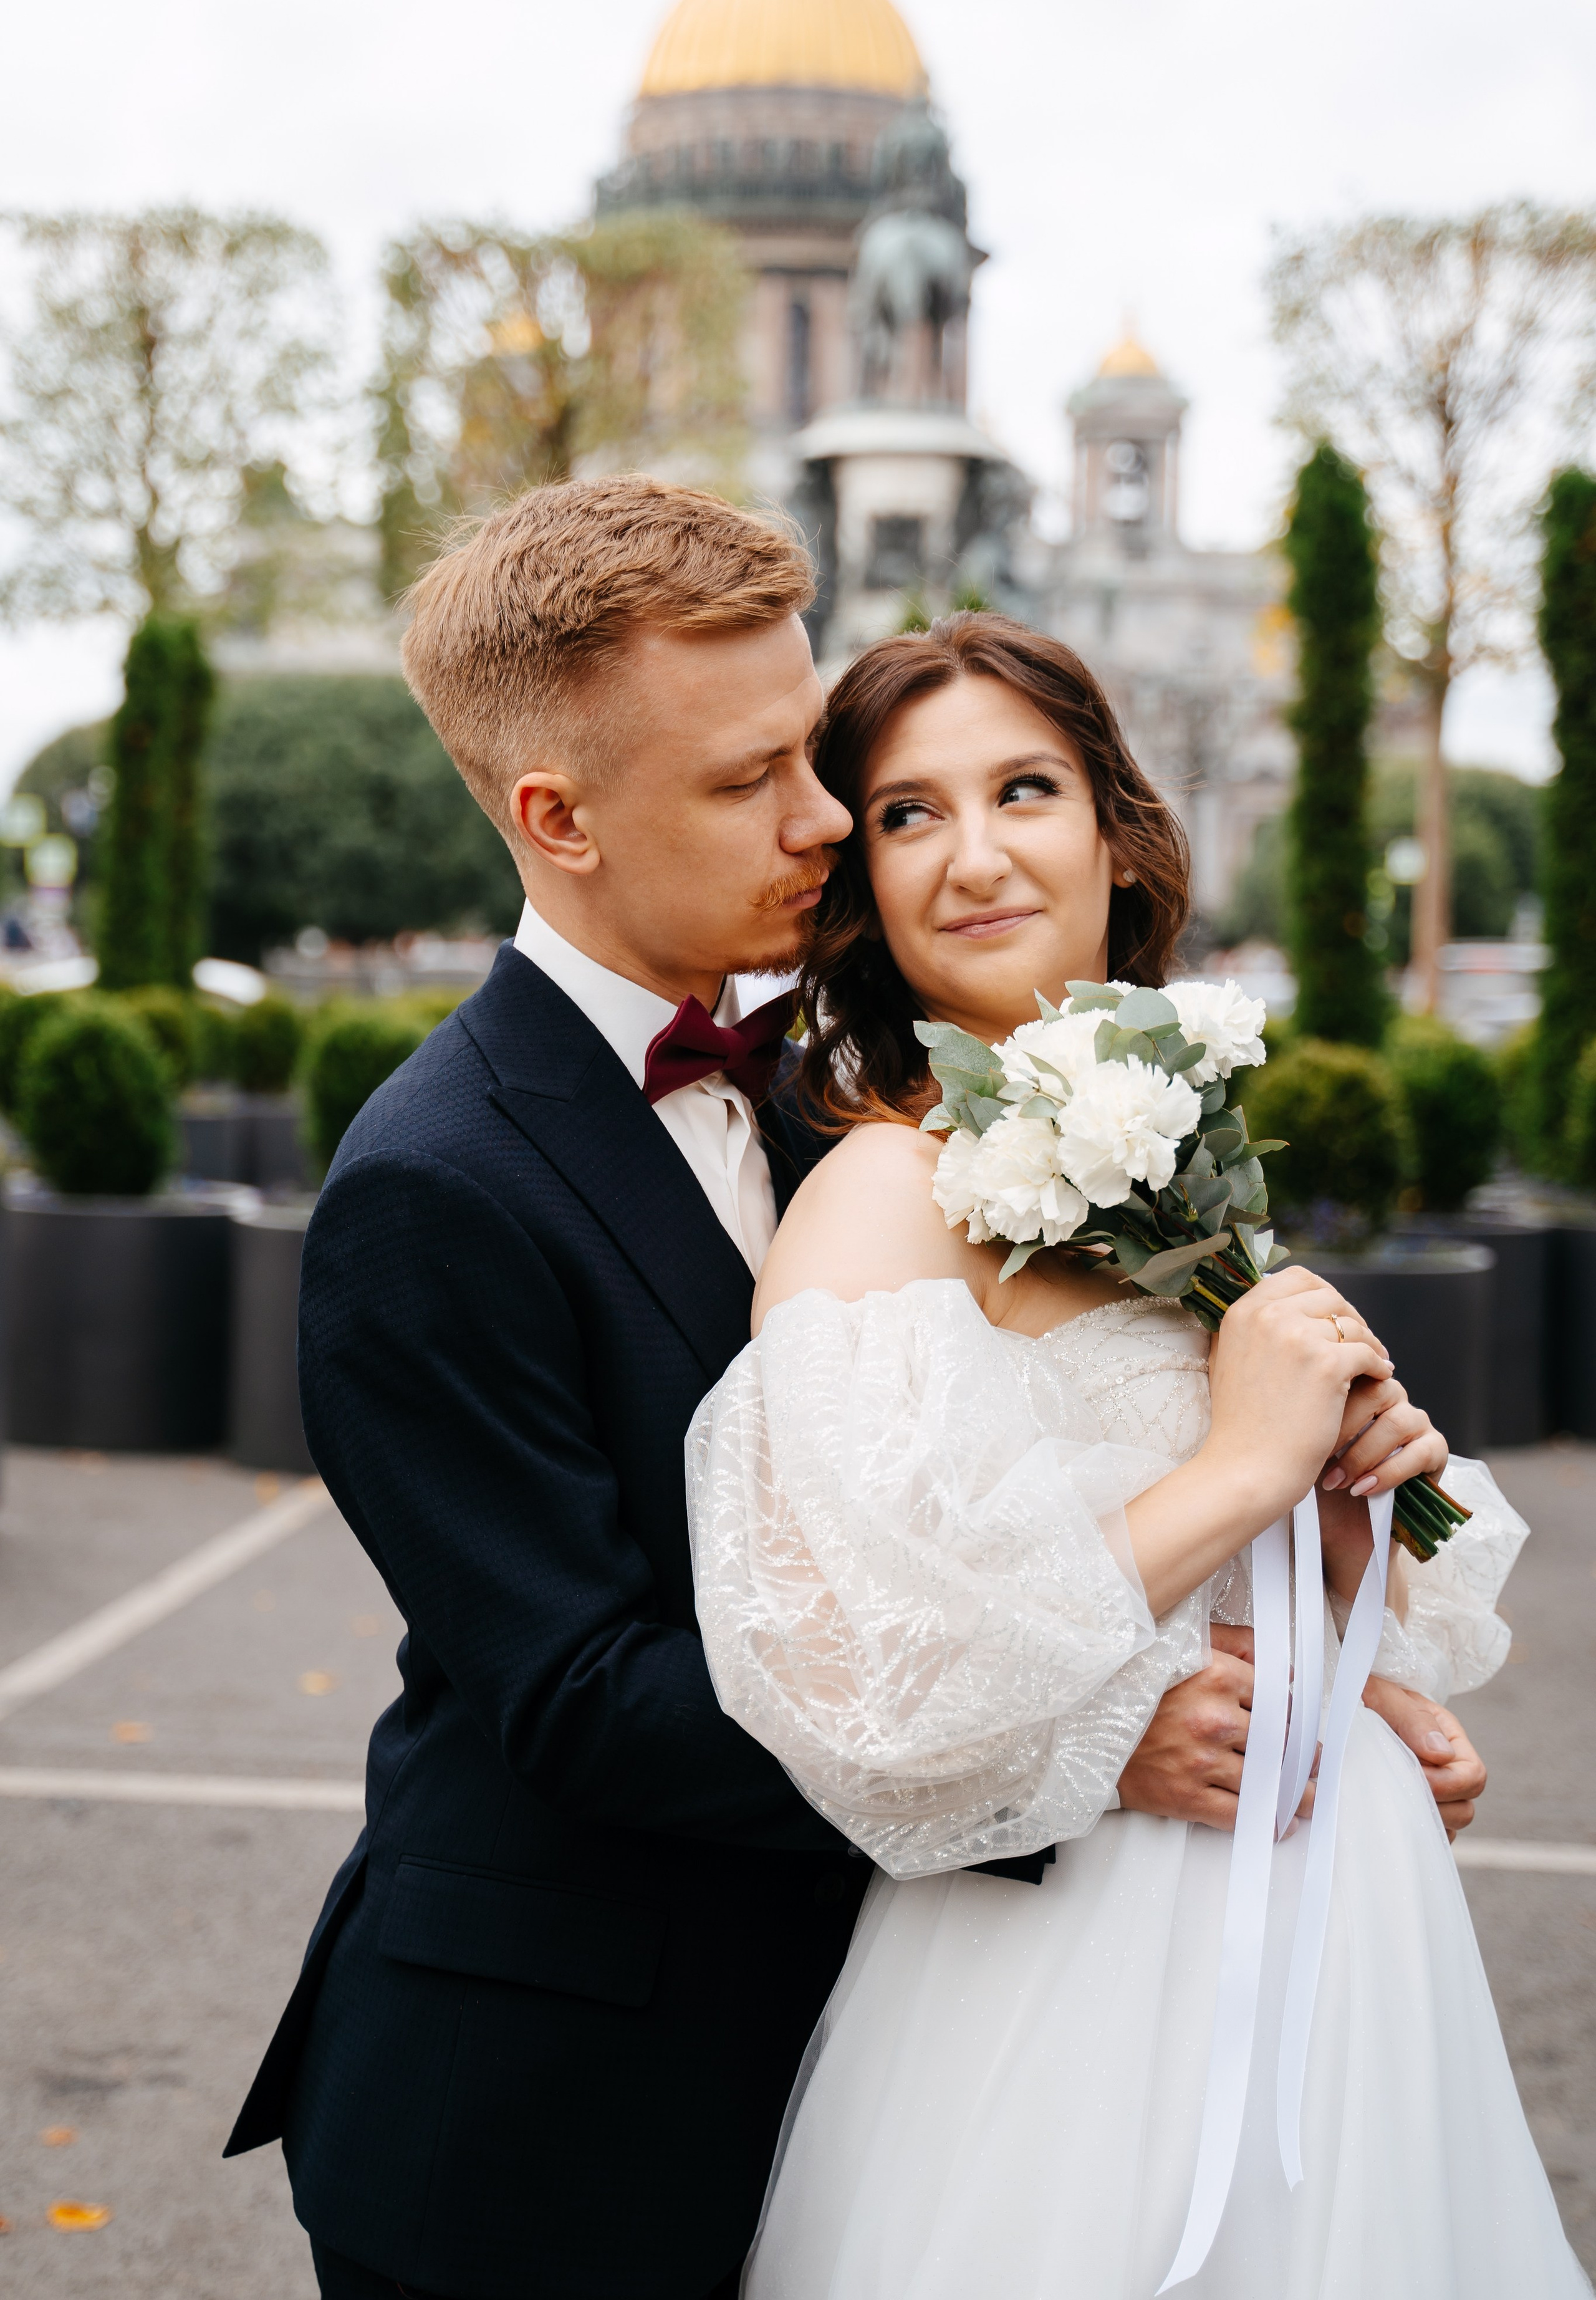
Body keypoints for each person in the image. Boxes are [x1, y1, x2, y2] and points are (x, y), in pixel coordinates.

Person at [224, 481, 1486, 2300]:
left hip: (893, 2048)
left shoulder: (879, 1117)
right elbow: (584, 1693)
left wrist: (1327, 1673)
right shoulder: (433, 1187)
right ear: (554, 816)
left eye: (818, 761)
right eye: (754, 783)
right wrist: (1095, 1732)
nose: (824, 819)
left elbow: (991, 1494)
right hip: (547, 2102)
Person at [686, 612, 1587, 2298]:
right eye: (906, 812)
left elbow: (1211, 1572)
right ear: (859, 879)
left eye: (1024, 788)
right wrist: (1243, 1467)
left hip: (1345, 1928)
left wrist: (1341, 1575)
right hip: (1081, 1972)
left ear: (1117, 829)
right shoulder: (881, 1191)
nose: (975, 855)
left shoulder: (1158, 1161)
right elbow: (853, 1666)